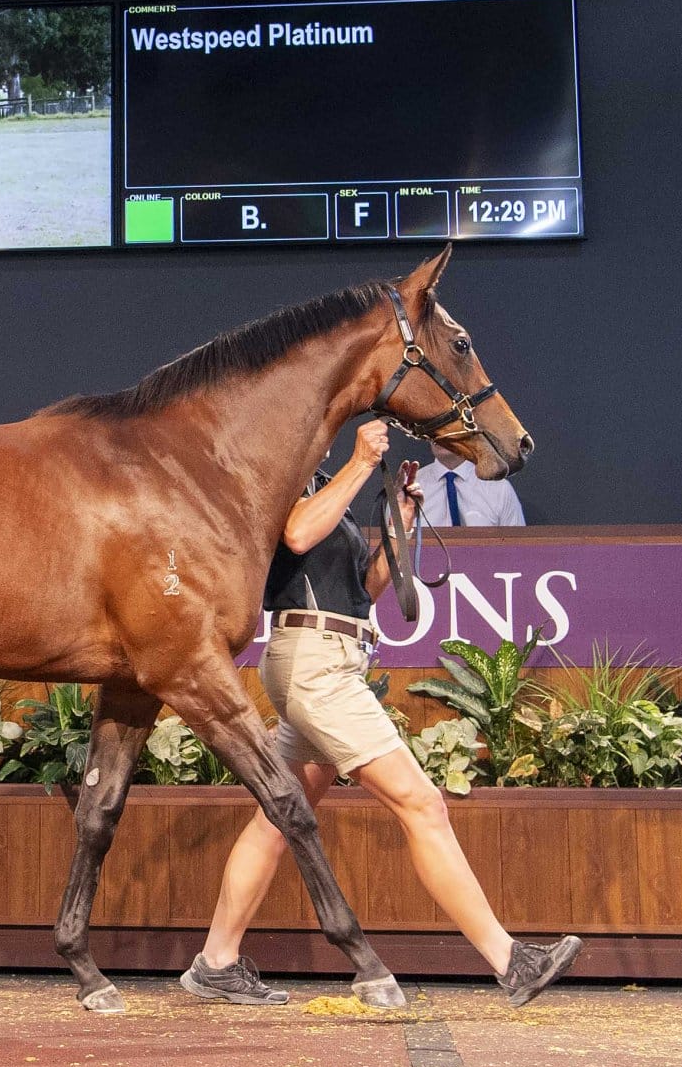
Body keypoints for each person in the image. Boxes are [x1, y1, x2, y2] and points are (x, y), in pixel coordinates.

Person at [181, 420, 582, 1008]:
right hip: (315, 665)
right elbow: (294, 535)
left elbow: (365, 590)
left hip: (328, 658)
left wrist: (400, 517)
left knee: (278, 815)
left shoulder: (323, 487)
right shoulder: (282, 483)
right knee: (422, 803)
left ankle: (216, 960)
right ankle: (508, 959)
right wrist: (363, 463)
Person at [412, 440, 525, 527]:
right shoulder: (411, 487)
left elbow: (518, 548)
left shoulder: (499, 488)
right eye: (434, 430)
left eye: (448, 429)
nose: (440, 437)